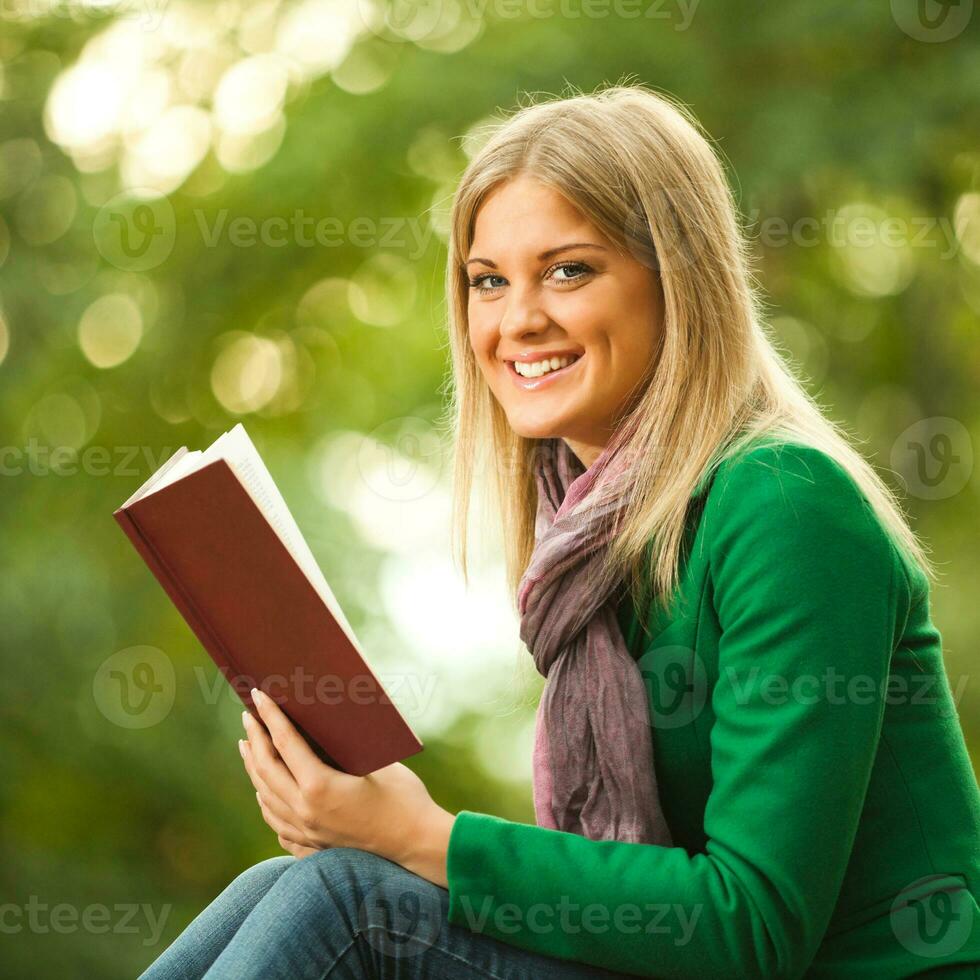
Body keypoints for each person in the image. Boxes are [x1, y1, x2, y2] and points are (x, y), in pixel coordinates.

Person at [139, 82, 980, 979]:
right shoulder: (589, 535)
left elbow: (754, 927)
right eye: (487, 282)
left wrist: (421, 835)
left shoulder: (787, 506)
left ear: (679, 280)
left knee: (344, 900)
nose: (517, 320)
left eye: (568, 270)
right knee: (292, 884)